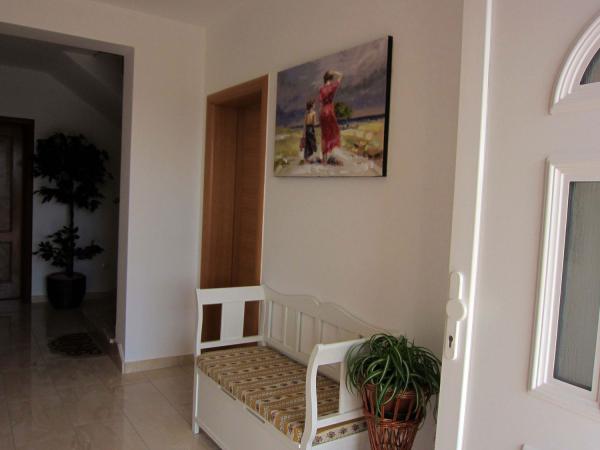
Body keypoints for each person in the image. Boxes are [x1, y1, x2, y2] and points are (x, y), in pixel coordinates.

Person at [319, 70, 343, 164]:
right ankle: (333, 155)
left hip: (323, 112)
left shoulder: (321, 89)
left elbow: (321, 102)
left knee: (324, 135)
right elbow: (341, 75)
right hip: (329, 111)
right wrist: (335, 72)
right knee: (334, 132)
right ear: (331, 78)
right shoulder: (332, 86)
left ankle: (324, 159)